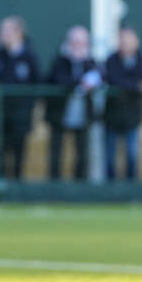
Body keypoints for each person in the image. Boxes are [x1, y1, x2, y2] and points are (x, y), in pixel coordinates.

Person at [0, 16, 41, 180]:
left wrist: (27, 107)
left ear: (18, 33)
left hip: (21, 117)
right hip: (0, 116)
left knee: (19, 152)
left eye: (5, 31)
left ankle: (17, 185)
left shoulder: (30, 57)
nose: (1, 35)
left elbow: (37, 85)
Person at [44, 25, 101, 181]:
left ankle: (80, 183)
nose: (78, 46)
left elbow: (100, 77)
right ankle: (55, 183)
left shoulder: (90, 62)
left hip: (83, 115)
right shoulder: (59, 61)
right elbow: (60, 80)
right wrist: (81, 83)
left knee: (82, 152)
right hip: (59, 114)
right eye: (75, 42)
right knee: (56, 151)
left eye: (82, 42)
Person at [103, 26, 142, 180]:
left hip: (133, 116)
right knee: (110, 158)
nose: (124, 44)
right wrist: (139, 86)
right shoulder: (111, 59)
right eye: (122, 40)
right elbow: (114, 80)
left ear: (136, 42)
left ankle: (131, 187)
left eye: (128, 40)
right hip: (112, 116)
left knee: (132, 155)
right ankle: (110, 188)